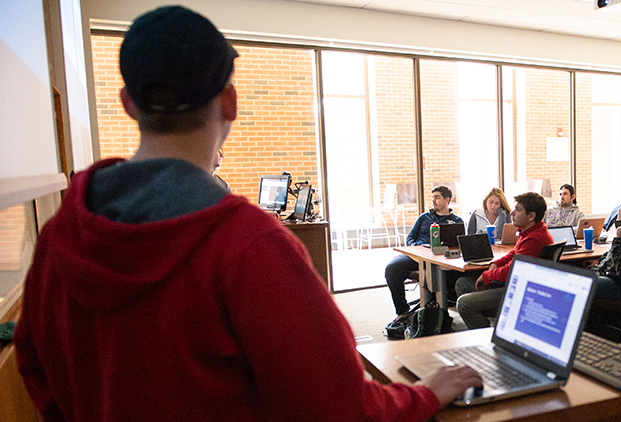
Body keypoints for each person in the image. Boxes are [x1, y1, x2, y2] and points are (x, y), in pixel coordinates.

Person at [12, 6, 481, 422]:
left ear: (128, 105)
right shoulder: (250, 248)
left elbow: (36, 370)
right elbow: (337, 407)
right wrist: (423, 395)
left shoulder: (59, 236)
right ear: (230, 103)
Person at [455, 192, 553, 329]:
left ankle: (487, 337)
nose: (512, 213)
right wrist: (496, 263)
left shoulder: (535, 238)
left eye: (518, 210)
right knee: (463, 284)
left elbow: (512, 270)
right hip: (514, 284)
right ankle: (487, 324)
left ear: (531, 216)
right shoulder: (529, 231)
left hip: (520, 292)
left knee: (464, 304)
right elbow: (514, 253)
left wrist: (486, 275)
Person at [385, 185, 463, 315]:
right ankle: (402, 311)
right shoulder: (424, 217)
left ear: (447, 200)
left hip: (443, 259)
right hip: (418, 256)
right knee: (392, 269)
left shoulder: (456, 221)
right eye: (432, 197)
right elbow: (410, 237)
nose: (433, 201)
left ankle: (439, 310)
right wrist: (417, 249)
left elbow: (460, 245)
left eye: (437, 198)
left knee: (451, 274)